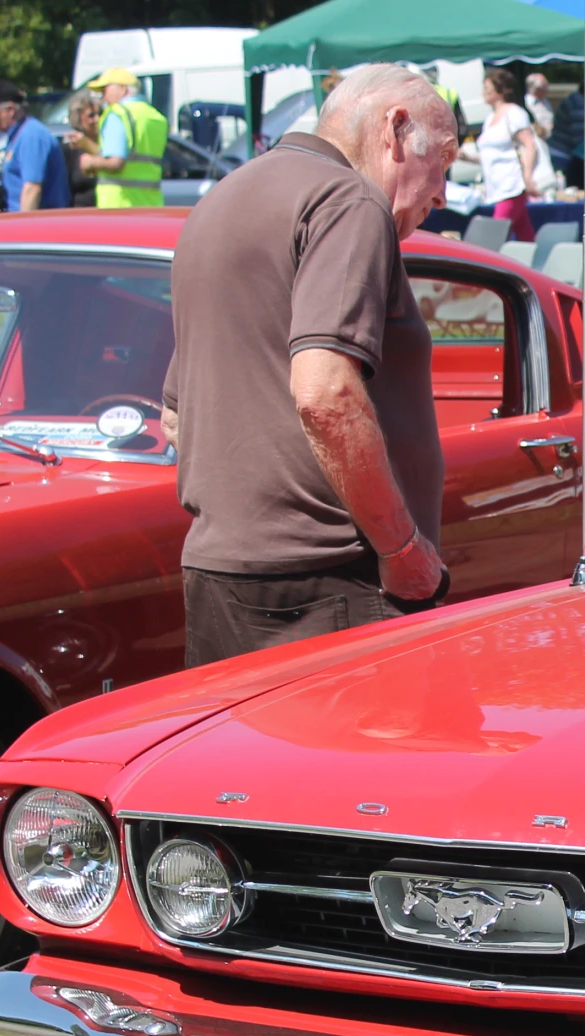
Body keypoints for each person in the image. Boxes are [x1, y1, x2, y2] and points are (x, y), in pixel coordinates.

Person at [161, 64, 459, 667]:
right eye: (443, 163)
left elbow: (175, 415)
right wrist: (402, 549)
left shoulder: (224, 197)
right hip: (331, 583)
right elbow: (325, 394)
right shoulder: (350, 200)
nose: (442, 194)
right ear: (394, 130)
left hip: (222, 574)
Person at [80, 66, 169, 208]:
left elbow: (116, 163)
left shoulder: (117, 113)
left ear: (122, 88)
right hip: (151, 204)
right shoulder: (156, 117)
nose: (103, 97)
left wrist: (90, 162)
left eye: (105, 90)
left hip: (119, 205)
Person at [0, 80, 69, 213]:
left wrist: (23, 228)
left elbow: (32, 188)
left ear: (11, 110)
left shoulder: (31, 136)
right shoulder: (18, 135)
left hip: (42, 225)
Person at [475, 68, 542, 242]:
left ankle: (487, 267)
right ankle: (535, 261)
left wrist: (528, 176)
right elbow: (490, 153)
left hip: (512, 184)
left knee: (495, 234)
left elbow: (530, 145)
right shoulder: (489, 118)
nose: (483, 92)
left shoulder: (514, 113)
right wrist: (463, 156)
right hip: (496, 185)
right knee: (524, 232)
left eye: (487, 88)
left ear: (500, 90)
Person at [58, 90, 105, 206]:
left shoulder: (110, 143)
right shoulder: (69, 148)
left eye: (100, 113)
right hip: (80, 215)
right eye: (91, 115)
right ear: (78, 118)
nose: (97, 119)